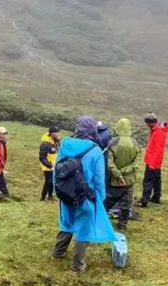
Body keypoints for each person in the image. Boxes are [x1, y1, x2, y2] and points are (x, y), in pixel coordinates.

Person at [52, 116, 116, 272]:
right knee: (84, 230)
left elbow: (56, 172)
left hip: (66, 194)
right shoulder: (95, 151)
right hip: (85, 197)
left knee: (67, 223)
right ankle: (77, 264)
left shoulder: (65, 146)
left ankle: (57, 253)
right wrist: (99, 199)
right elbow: (99, 180)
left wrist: (58, 191)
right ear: (93, 130)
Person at [104, 118, 141, 231]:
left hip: (113, 180)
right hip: (128, 182)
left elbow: (110, 164)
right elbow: (136, 164)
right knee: (126, 204)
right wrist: (124, 173)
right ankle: (122, 225)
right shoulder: (135, 143)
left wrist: (118, 175)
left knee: (107, 202)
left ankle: (101, 222)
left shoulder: (112, 142)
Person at [139, 113, 168, 207]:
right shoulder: (156, 130)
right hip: (155, 161)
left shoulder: (158, 132)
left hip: (152, 161)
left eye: (147, 123)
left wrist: (152, 164)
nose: (147, 125)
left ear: (150, 123)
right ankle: (156, 197)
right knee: (157, 180)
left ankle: (144, 200)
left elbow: (158, 150)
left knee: (148, 180)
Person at [39, 126, 62, 201]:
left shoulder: (56, 141)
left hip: (54, 165)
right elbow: (42, 157)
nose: (59, 134)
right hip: (47, 166)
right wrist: (49, 166)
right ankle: (43, 197)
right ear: (52, 133)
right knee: (49, 181)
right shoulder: (45, 144)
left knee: (52, 181)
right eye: (57, 132)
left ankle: (50, 196)